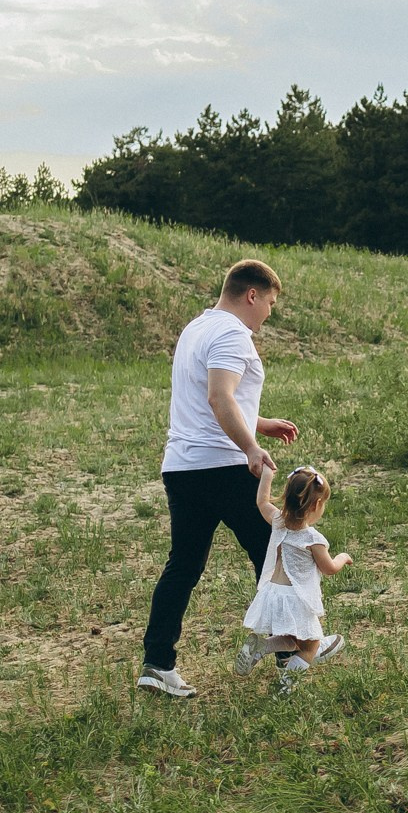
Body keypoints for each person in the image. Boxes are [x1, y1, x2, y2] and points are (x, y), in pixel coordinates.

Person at [137, 259, 300, 698]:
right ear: (251, 295)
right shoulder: (232, 333)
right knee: (277, 554)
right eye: (269, 302)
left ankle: (157, 663)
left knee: (184, 565)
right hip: (224, 466)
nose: (268, 312)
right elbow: (218, 396)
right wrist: (250, 448)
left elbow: (210, 400)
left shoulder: (196, 329)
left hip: (183, 467)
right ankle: (292, 653)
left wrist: (260, 424)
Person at [238, 464, 352, 691]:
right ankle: (286, 685)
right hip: (295, 599)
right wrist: (342, 557)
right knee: (311, 646)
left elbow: (261, 501)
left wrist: (267, 475)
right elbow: (329, 568)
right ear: (316, 505)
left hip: (273, 593)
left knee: (292, 640)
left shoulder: (278, 521)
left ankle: (261, 646)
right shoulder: (312, 538)